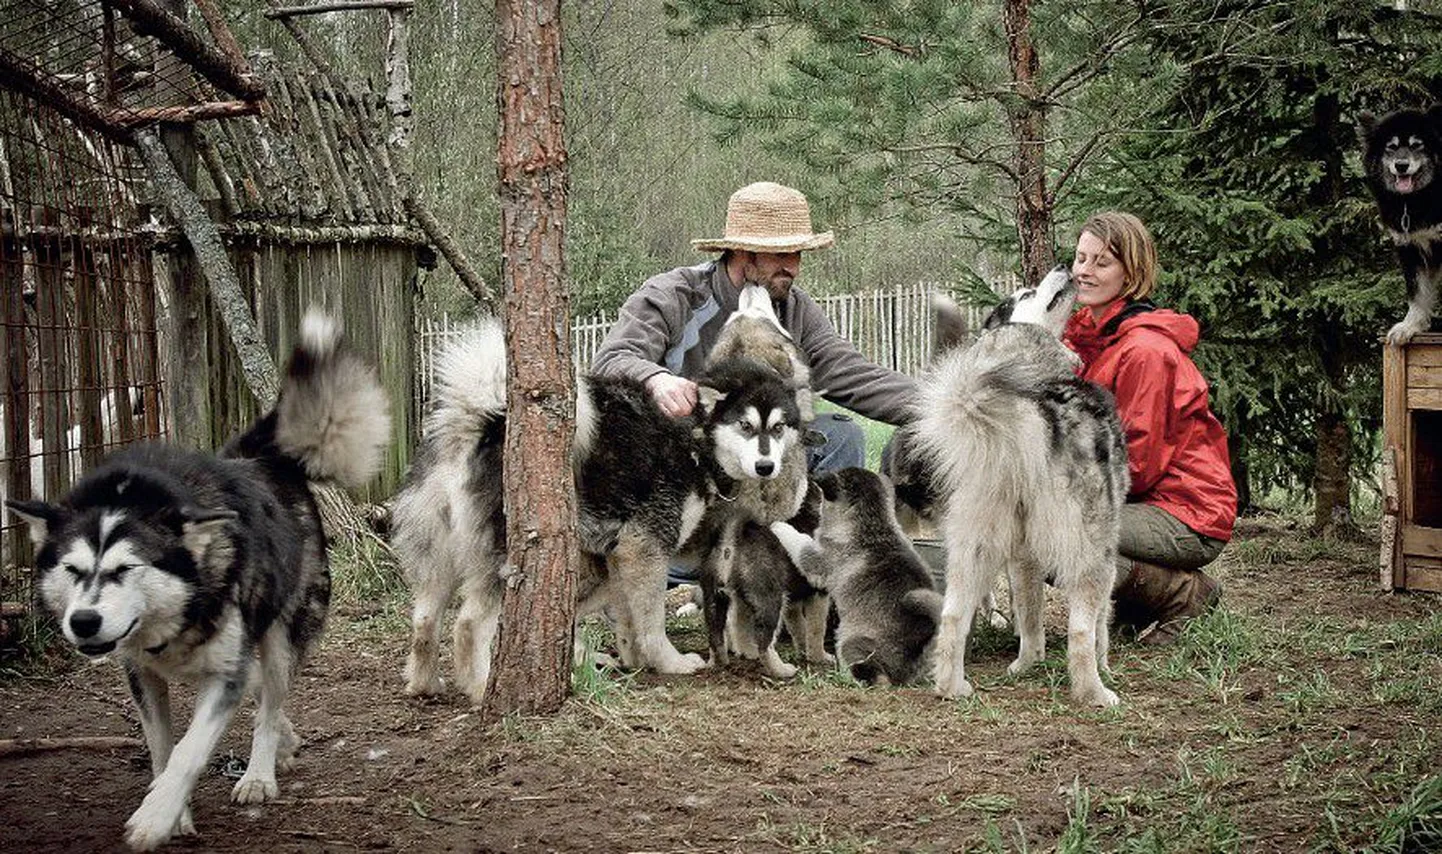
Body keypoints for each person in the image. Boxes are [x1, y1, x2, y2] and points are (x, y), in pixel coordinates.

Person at [591, 181, 918, 585]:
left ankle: (807, 573)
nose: (793, 267)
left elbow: (849, 371)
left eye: (797, 255)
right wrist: (656, 379)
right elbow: (611, 360)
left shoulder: (794, 308)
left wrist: (943, 409)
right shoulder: (673, 296)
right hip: (686, 465)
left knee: (840, 436)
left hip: (762, 456)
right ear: (743, 253)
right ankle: (682, 568)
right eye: (782, 255)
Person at [1064, 211, 1237, 645]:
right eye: (1080, 258)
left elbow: (1138, 464)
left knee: (1058, 529)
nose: (1084, 271)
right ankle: (1140, 606)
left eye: (1101, 263)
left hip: (1187, 511)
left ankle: (1185, 596)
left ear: (1132, 272)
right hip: (1143, 502)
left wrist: (1061, 488)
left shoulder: (1145, 350)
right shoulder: (1090, 337)